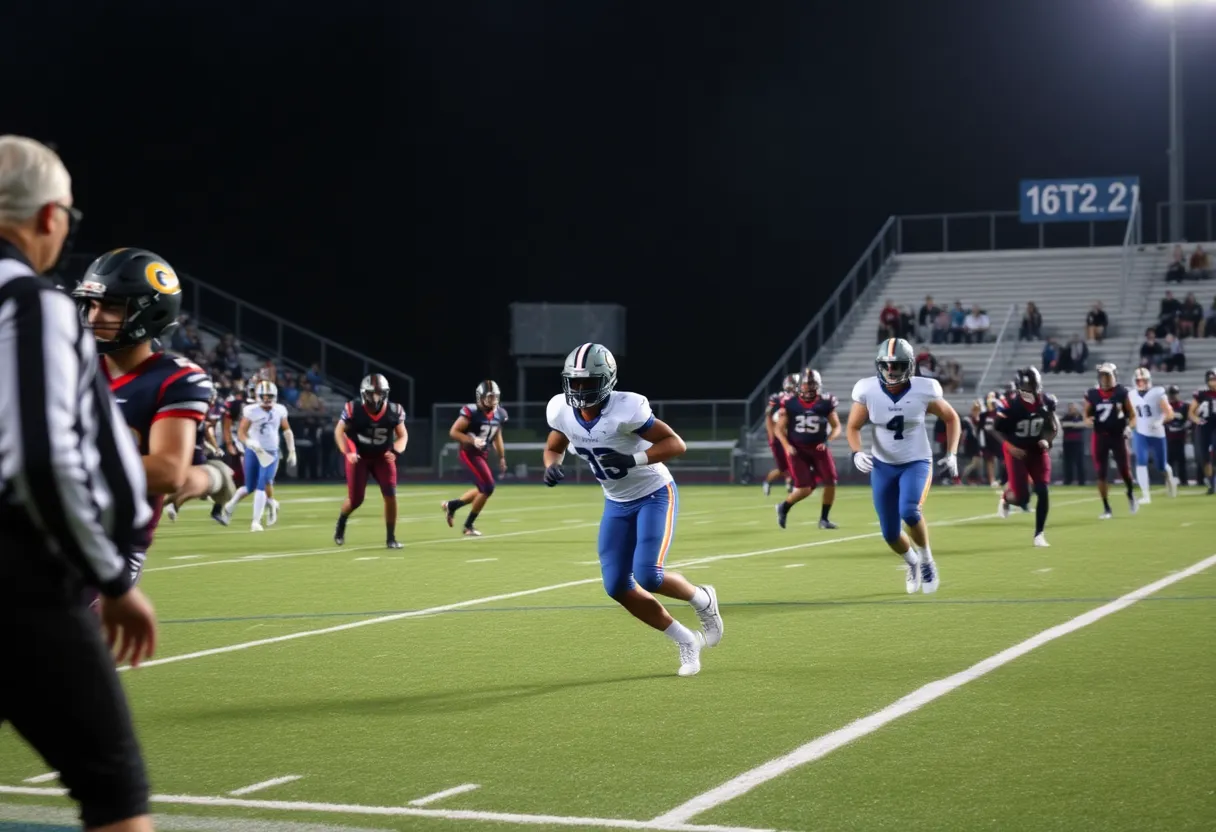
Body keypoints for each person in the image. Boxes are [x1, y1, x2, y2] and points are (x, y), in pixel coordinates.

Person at [0, 134, 157, 832]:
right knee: (115, 793)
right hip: (21, 588)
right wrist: (113, 580)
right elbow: (41, 459)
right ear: (49, 217)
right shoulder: (33, 304)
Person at [541, 343, 723, 677]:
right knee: (616, 586)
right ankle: (685, 640)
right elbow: (554, 446)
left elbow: (675, 444)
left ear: (607, 379)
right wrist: (552, 464)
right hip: (617, 502)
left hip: (654, 493)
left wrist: (634, 458)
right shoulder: (561, 411)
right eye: (575, 381)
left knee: (648, 575)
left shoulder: (627, 408)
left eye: (588, 381)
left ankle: (702, 599)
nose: (579, 389)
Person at [73, 249, 236, 577]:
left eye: (111, 306)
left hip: (108, 548)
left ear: (151, 313)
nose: (94, 317)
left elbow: (167, 472)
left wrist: (55, 466)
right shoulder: (70, 365)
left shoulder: (175, 378)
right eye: (91, 304)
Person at [846, 338, 960, 594]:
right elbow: (853, 426)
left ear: (908, 366)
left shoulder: (924, 389)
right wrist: (856, 452)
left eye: (897, 365)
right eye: (886, 366)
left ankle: (928, 560)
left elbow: (951, 417)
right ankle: (913, 563)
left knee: (909, 511)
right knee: (889, 533)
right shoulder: (868, 390)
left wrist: (951, 453)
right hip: (883, 466)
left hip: (916, 461)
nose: (891, 371)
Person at [334, 374, 408, 548]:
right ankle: (341, 521)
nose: (375, 397)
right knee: (356, 499)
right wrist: (348, 452)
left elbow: (403, 435)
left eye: (379, 393)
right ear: (363, 394)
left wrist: (396, 450)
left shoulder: (394, 410)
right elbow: (339, 432)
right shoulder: (353, 408)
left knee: (390, 495)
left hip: (382, 456)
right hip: (359, 457)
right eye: (371, 393)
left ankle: (391, 538)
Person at [992, 367, 1058, 547]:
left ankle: (1039, 534)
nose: (1032, 391)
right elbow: (995, 429)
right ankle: (1006, 498)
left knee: (1043, 490)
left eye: (1034, 386)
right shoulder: (1010, 404)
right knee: (1022, 499)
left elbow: (1053, 427)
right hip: (1017, 451)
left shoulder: (1046, 401)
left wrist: (1046, 440)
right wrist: (1009, 446)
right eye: (1028, 387)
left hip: (1037, 451)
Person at [221, 380, 297, 530]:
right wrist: (249, 443)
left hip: (270, 451)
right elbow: (242, 433)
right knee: (249, 487)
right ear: (258, 396)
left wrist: (292, 450)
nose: (267, 399)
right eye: (264, 396)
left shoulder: (280, 410)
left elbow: (287, 430)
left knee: (263, 484)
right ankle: (230, 506)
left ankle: (256, 521)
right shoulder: (251, 410)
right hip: (254, 451)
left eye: (270, 396)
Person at [773, 369, 841, 530]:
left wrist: (828, 440)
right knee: (804, 489)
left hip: (819, 448)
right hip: (798, 450)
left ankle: (824, 519)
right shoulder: (790, 403)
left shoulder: (826, 402)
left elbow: (837, 427)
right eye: (806, 384)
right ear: (799, 386)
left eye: (812, 384)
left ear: (818, 386)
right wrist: (787, 446)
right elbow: (778, 429)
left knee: (831, 481)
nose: (809, 388)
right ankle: (784, 506)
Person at [442, 380, 508, 536]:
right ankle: (468, 526)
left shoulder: (500, 414)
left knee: (483, 488)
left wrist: (501, 457)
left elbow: (498, 436)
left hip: (482, 454)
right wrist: (472, 440)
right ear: (480, 397)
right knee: (488, 487)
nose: (492, 401)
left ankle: (452, 506)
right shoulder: (471, 412)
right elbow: (453, 432)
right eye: (489, 397)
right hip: (469, 453)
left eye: (494, 397)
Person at [1083, 363, 1138, 519]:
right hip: (1100, 436)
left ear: (1114, 376)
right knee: (1101, 473)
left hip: (1118, 435)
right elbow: (1086, 416)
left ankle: (1130, 493)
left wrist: (1129, 428)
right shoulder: (1092, 394)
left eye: (1108, 375)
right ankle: (1107, 508)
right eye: (1102, 376)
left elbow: (1132, 415)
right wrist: (1088, 421)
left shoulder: (1121, 392)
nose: (1105, 379)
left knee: (1125, 470)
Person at [1129, 368, 1177, 504]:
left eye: (1144, 380)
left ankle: (1170, 478)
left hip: (1157, 433)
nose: (1142, 383)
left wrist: (1160, 421)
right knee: (1141, 461)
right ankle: (1146, 495)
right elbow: (1131, 415)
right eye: (1139, 380)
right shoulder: (1131, 395)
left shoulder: (1157, 392)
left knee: (1161, 465)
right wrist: (1127, 426)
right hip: (1140, 432)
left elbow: (1170, 413)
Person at [761, 373, 799, 496]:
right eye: (795, 385)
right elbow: (768, 415)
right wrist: (771, 435)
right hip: (778, 438)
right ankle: (768, 482)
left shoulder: (797, 399)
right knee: (783, 468)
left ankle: (790, 485)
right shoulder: (777, 399)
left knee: (793, 463)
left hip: (790, 437)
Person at [1190, 368, 1216, 494]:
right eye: (1212, 380)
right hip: (1204, 426)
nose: (1214, 382)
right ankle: (1211, 483)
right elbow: (1191, 412)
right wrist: (1196, 419)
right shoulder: (1201, 393)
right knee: (1204, 457)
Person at [1165, 385, 1191, 486]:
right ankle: (1169, 481)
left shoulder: (1184, 406)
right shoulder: (1166, 406)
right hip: (1169, 437)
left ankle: (1183, 481)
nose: (1173, 396)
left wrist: (1183, 426)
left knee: (1181, 460)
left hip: (1180, 437)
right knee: (1169, 461)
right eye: (1171, 394)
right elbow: (1163, 419)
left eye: (1174, 394)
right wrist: (1168, 426)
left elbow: (1188, 420)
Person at [1059, 402, 1087, 486]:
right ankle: (1068, 480)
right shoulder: (1065, 417)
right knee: (1068, 463)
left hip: (1078, 443)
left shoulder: (1081, 417)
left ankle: (1081, 481)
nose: (1071, 410)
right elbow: (1063, 425)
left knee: (1080, 462)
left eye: (1073, 408)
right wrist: (1074, 425)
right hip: (1067, 443)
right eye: (1070, 408)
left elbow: (1083, 426)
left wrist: (1072, 425)